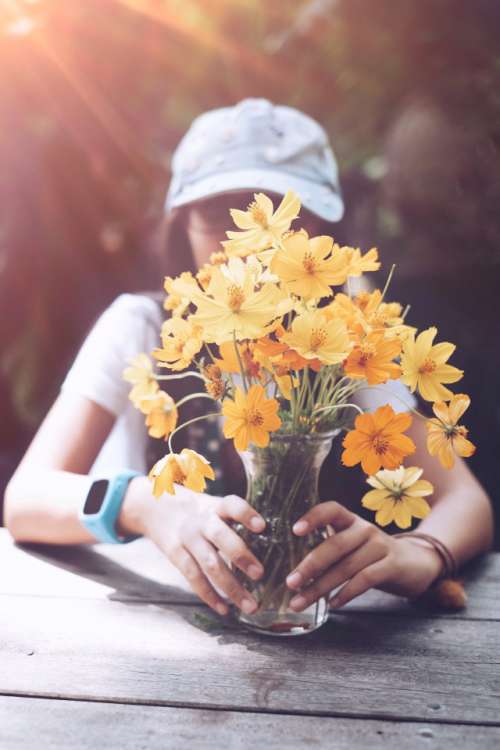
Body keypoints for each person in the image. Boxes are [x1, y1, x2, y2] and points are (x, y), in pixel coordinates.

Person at [4, 99, 493, 619]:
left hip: (301, 643)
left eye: (285, 213)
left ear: (326, 235)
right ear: (178, 225)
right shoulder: (141, 328)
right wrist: (145, 505)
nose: (253, 241)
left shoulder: (347, 346)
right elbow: (25, 499)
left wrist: (421, 551)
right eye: (220, 212)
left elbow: (466, 502)